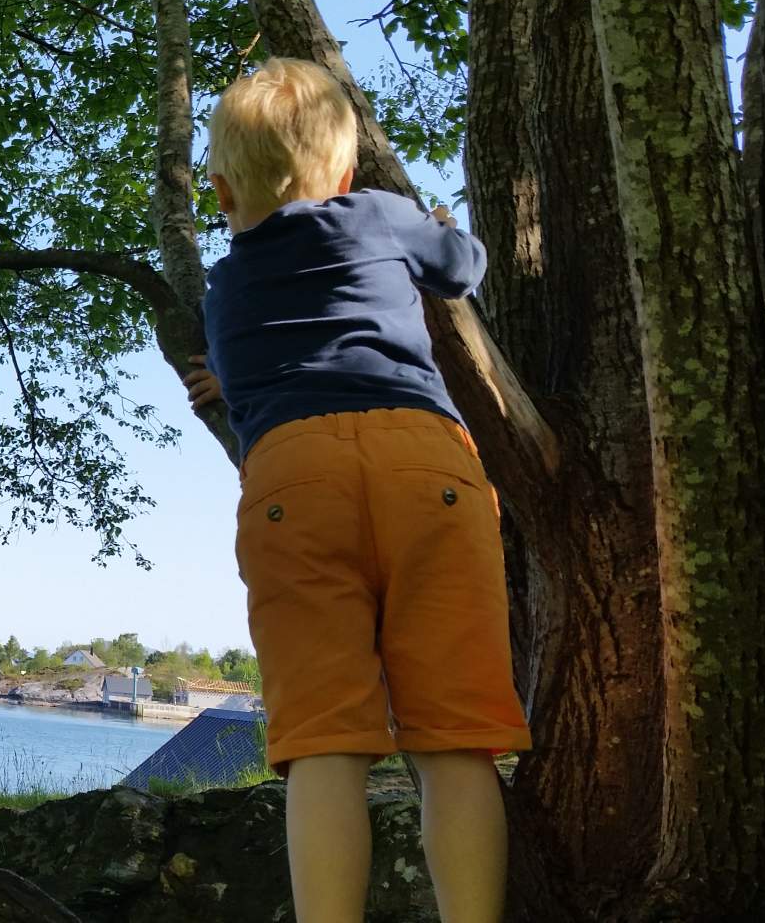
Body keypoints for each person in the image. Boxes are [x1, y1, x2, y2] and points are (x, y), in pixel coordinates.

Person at [181, 57, 530, 923]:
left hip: (295, 481)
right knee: (456, 742)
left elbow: (257, 368)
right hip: (423, 462)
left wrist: (227, 387)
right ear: (343, 172)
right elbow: (461, 268)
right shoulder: (381, 213)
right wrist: (444, 224)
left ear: (222, 194)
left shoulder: (226, 287)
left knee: (326, 744)